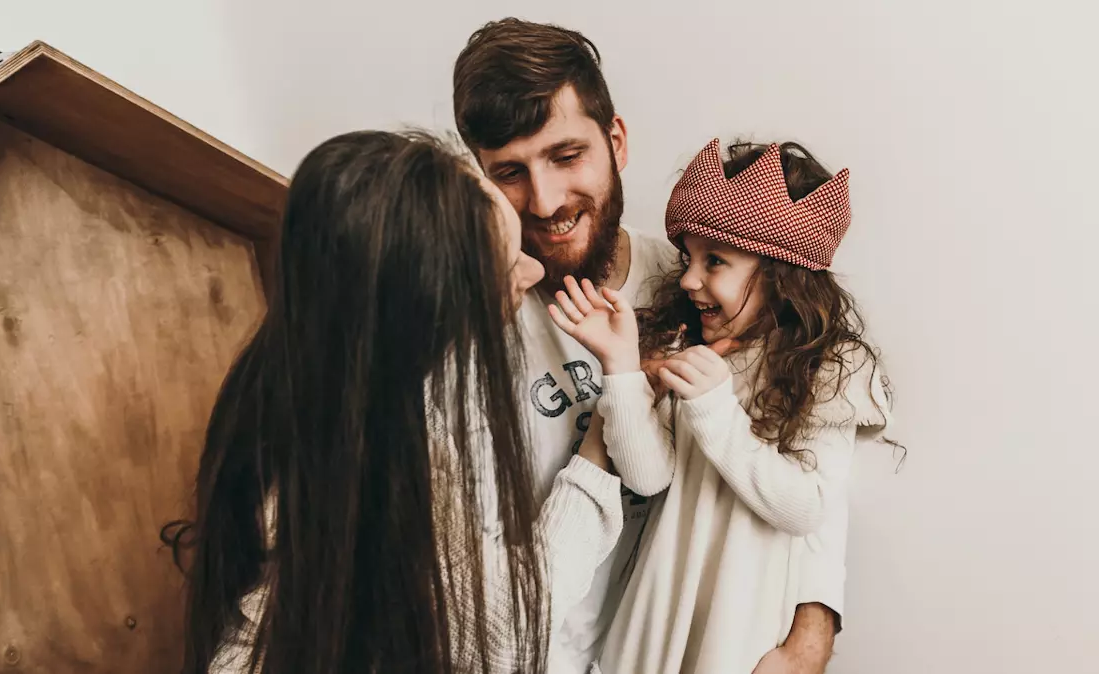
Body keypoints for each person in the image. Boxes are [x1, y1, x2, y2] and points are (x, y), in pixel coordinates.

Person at [453, 20, 844, 673]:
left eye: (566, 155)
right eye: (511, 172)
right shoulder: (463, 329)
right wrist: (622, 388)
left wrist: (810, 634)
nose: (545, 201)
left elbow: (811, 460)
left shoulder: (696, 285)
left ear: (617, 141)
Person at [162, 130, 626, 674]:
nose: (534, 270)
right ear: (436, 310)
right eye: (506, 266)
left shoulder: (305, 368)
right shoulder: (383, 450)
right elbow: (502, 633)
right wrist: (601, 439)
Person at [548, 138, 893, 673]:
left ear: (783, 275)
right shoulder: (691, 348)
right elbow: (648, 477)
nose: (688, 279)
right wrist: (621, 368)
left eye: (716, 261)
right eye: (689, 258)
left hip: (739, 632)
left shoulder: (827, 367)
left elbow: (805, 509)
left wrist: (717, 411)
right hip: (652, 622)